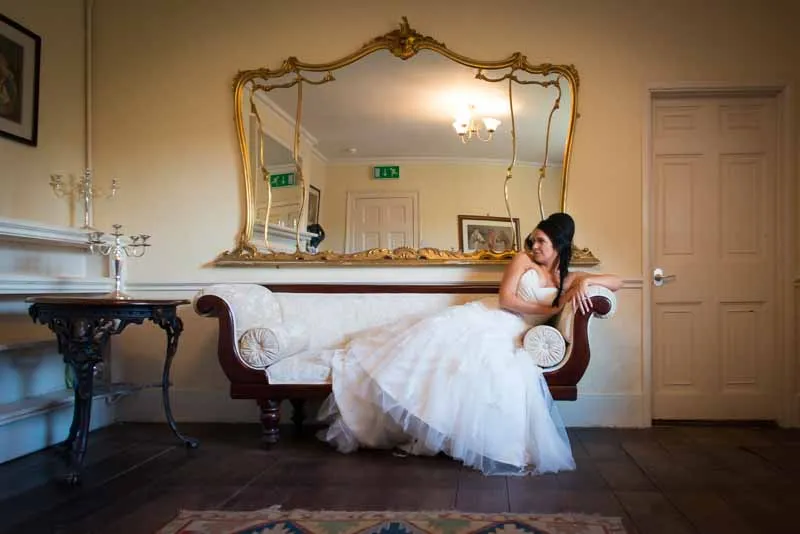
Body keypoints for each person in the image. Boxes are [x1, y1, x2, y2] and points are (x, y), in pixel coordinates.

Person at [317, 212, 622, 475]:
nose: (535, 246)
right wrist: (550, 310)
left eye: (542, 241)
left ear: (560, 243)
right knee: (440, 349)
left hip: (516, 334)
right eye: (535, 239)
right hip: (492, 317)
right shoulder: (523, 260)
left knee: (498, 371)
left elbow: (616, 280)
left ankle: (473, 440)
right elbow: (507, 298)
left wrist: (584, 282)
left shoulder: (563, 276)